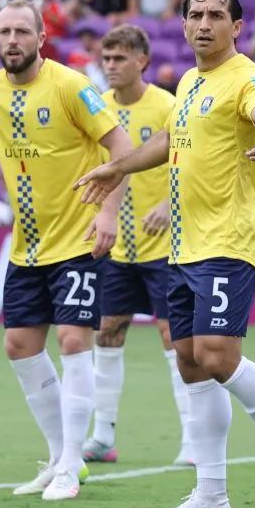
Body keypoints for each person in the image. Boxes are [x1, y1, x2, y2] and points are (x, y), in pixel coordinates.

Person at [74, 0, 255, 508]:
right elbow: (170, 140)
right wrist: (117, 167)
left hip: (228, 240)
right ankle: (211, 494)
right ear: (184, 24)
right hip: (183, 246)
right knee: (189, 362)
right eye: (196, 15)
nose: (204, 23)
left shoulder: (246, 75)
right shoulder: (188, 81)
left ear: (237, 26)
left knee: (216, 355)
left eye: (216, 15)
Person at [0, 0, 134, 501]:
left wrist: (108, 213)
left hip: (79, 237)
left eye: (23, 31)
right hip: (29, 243)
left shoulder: (71, 85)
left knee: (73, 340)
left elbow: (122, 147)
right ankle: (61, 457)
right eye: (5, 32)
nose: (13, 40)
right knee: (19, 345)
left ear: (41, 38)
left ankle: (72, 463)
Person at [79, 24, 193, 468]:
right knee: (107, 331)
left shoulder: (167, 106)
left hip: (165, 246)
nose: (110, 66)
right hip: (116, 247)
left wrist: (168, 203)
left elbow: (193, 163)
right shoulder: (98, 107)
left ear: (142, 61)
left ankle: (192, 439)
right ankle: (102, 437)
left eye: (120, 58)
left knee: (173, 336)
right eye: (106, 58)